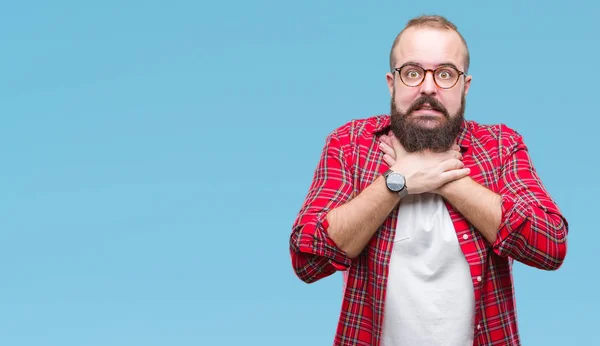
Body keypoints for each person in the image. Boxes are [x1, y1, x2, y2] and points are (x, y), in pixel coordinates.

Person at [289, 14, 568, 346]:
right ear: (392, 83)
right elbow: (307, 259)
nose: (428, 87)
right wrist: (397, 182)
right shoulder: (350, 144)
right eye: (412, 73)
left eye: (446, 74)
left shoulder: (500, 146)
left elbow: (550, 245)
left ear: (465, 86)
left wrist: (443, 178)